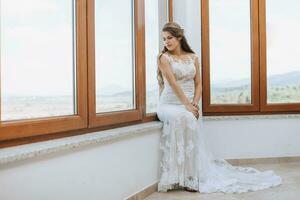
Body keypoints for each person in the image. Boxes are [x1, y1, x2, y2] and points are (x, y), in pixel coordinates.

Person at [156, 22, 282, 193]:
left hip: (187, 104)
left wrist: (194, 103)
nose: (166, 42)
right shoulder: (163, 58)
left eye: (169, 38)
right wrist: (186, 105)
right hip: (169, 104)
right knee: (184, 117)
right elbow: (172, 83)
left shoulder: (193, 57)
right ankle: (176, 177)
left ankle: (191, 176)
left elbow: (199, 84)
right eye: (164, 39)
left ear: (179, 37)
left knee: (189, 119)